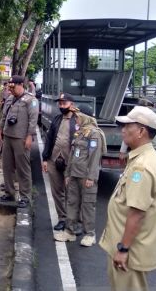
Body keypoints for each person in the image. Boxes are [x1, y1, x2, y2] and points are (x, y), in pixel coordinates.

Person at [99, 106, 156, 291]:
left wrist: (123, 249)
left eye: (128, 126)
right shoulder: (141, 158)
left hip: (130, 251)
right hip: (128, 246)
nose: (123, 130)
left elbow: (137, 213)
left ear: (141, 131)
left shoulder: (142, 166)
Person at [42, 93, 92, 232]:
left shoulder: (78, 121)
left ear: (72, 104)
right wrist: (45, 158)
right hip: (54, 160)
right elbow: (49, 139)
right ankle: (62, 218)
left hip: (72, 163)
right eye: (60, 103)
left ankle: (76, 220)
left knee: (73, 192)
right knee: (57, 191)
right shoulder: (57, 119)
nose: (61, 105)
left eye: (64, 103)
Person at [62, 106, 105, 246]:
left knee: (87, 205)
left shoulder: (94, 134)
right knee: (72, 202)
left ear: (86, 117)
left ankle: (90, 234)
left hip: (86, 176)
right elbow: (72, 156)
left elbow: (95, 157)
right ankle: (70, 231)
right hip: (74, 174)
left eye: (78, 116)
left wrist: (91, 177)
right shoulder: (80, 133)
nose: (76, 119)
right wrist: (68, 173)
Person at [0, 75, 39, 208]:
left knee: (23, 168)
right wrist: (0, 133)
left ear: (20, 84)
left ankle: (25, 197)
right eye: (10, 87)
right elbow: (4, 116)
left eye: (13, 87)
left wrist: (29, 136)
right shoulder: (10, 98)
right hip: (8, 136)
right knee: (7, 166)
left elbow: (33, 120)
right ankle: (9, 193)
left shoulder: (31, 100)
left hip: (21, 138)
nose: (11, 90)